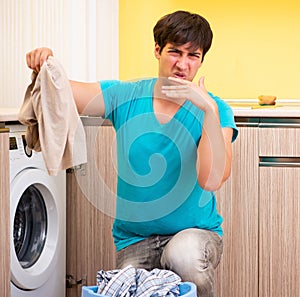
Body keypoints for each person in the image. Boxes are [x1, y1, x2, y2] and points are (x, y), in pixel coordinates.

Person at [26, 10, 238, 297]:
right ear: (157, 50)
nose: (183, 65)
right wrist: (47, 63)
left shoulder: (215, 110)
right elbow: (63, 90)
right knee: (124, 287)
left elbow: (211, 180)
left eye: (193, 56)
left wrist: (208, 112)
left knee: (184, 254)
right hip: (135, 240)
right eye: (175, 52)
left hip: (195, 235)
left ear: (201, 60)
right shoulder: (125, 95)